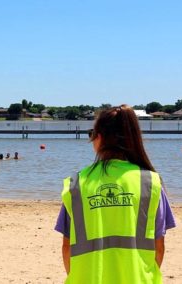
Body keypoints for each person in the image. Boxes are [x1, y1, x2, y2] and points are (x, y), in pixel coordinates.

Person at [55, 105, 175, 283]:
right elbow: (158, 247)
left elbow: (67, 248)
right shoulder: (150, 182)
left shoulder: (78, 184)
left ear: (100, 138)